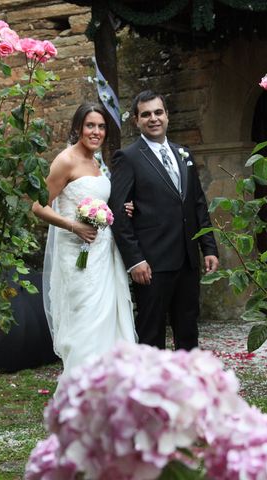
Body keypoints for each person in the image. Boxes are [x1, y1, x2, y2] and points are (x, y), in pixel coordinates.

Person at [32, 103, 136, 379]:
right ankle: (81, 387)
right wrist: (73, 225)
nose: (96, 132)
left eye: (101, 127)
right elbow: (38, 206)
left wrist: (121, 210)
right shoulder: (65, 160)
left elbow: (102, 200)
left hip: (104, 252)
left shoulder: (97, 162)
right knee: (85, 318)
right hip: (76, 253)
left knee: (108, 317)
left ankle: (109, 386)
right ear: (78, 128)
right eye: (91, 125)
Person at [109, 90, 219, 350]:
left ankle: (186, 386)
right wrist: (135, 260)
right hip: (151, 264)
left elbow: (197, 204)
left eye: (158, 112)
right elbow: (118, 214)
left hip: (187, 261)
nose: (153, 118)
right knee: (151, 334)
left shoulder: (184, 154)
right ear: (136, 121)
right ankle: (151, 388)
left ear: (167, 116)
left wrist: (209, 247)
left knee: (188, 330)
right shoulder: (128, 158)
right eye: (146, 114)